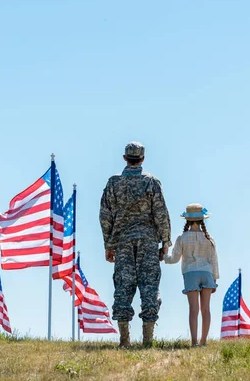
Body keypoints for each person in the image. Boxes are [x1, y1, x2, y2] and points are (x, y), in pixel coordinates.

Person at [99, 141, 172, 348]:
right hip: (148, 242)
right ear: (143, 158)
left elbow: (105, 216)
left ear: (124, 158)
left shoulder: (113, 184)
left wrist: (108, 244)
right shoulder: (151, 183)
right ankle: (148, 342)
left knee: (123, 287)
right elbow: (161, 214)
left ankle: (125, 341)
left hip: (122, 243)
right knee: (149, 287)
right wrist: (165, 242)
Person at [164, 203, 219, 347]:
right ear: (202, 220)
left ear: (187, 220)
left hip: (190, 273)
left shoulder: (182, 238)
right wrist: (214, 278)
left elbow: (174, 259)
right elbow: (214, 260)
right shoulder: (209, 238)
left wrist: (164, 257)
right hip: (207, 273)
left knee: (193, 309)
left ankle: (194, 341)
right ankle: (204, 341)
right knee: (206, 309)